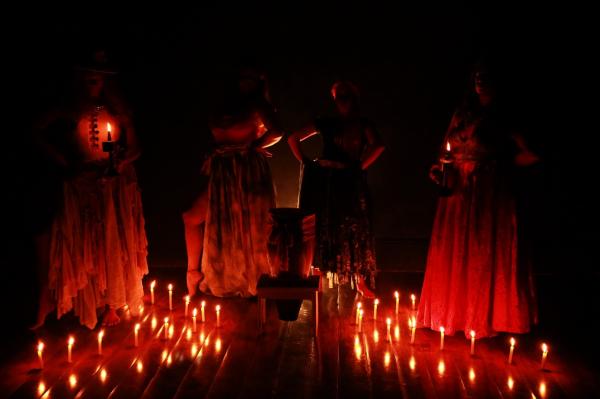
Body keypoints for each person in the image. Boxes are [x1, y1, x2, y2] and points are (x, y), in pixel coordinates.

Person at [417, 62, 539, 337]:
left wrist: (501, 167)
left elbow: (528, 153)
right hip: (458, 189)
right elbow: (445, 148)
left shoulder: (505, 114)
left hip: (487, 190)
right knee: (456, 246)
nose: (480, 81)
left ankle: (483, 315)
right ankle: (453, 312)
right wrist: (440, 167)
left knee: (482, 249)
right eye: (477, 76)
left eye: (487, 76)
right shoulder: (463, 113)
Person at [32, 50, 148, 328]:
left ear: (106, 82)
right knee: (86, 242)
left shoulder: (118, 112)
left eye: (96, 80)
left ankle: (112, 303)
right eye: (87, 79)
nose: (91, 84)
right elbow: (34, 131)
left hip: (112, 184)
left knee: (111, 240)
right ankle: (89, 300)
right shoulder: (68, 109)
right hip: (82, 180)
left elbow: (135, 148)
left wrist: (120, 163)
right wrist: (63, 161)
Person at [183, 65, 283, 297]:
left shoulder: (259, 104)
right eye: (243, 77)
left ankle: (254, 278)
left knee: (250, 226)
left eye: (251, 78)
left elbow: (278, 130)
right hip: (222, 170)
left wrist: (255, 146)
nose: (246, 82)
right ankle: (193, 272)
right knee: (192, 217)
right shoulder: (226, 105)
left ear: (259, 81)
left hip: (246, 171)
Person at [288, 81, 384, 298]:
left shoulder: (363, 123)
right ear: (334, 99)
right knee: (323, 226)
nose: (343, 100)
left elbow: (379, 145)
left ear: (354, 97)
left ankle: (360, 280)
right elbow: (293, 138)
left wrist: (358, 167)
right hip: (325, 181)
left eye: (347, 96)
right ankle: (318, 278)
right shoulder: (326, 122)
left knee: (354, 227)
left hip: (348, 180)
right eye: (339, 97)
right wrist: (307, 162)